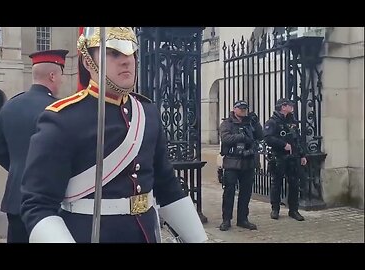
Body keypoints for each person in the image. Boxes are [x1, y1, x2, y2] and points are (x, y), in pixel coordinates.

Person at [20, 27, 208, 243]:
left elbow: (167, 185)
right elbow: (38, 204)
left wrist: (198, 239)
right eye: (114, 53)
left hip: (146, 233)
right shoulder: (62, 119)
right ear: (88, 60)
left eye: (131, 53)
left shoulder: (147, 113)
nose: (126, 60)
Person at [0, 49, 69, 243]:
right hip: (49, 199)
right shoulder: (59, 109)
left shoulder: (9, 105)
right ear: (53, 75)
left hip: (15, 197)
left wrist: (19, 168)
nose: (62, 81)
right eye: (61, 75)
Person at [218, 100, 263, 231]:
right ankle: (226, 220)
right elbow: (226, 138)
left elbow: (260, 137)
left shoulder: (250, 123)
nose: (243, 111)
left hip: (248, 162)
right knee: (229, 192)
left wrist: (257, 123)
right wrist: (242, 136)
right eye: (241, 108)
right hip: (232, 161)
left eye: (245, 109)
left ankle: (243, 219)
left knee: (246, 192)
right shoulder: (227, 123)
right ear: (234, 109)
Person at [264, 98, 307, 221]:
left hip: (293, 158)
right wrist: (283, 145)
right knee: (276, 183)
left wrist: (302, 154)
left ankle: (293, 210)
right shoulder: (272, 122)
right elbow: (267, 138)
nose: (292, 107)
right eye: (289, 105)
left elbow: (297, 139)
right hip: (279, 157)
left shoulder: (292, 121)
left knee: (294, 184)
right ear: (283, 107)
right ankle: (275, 209)